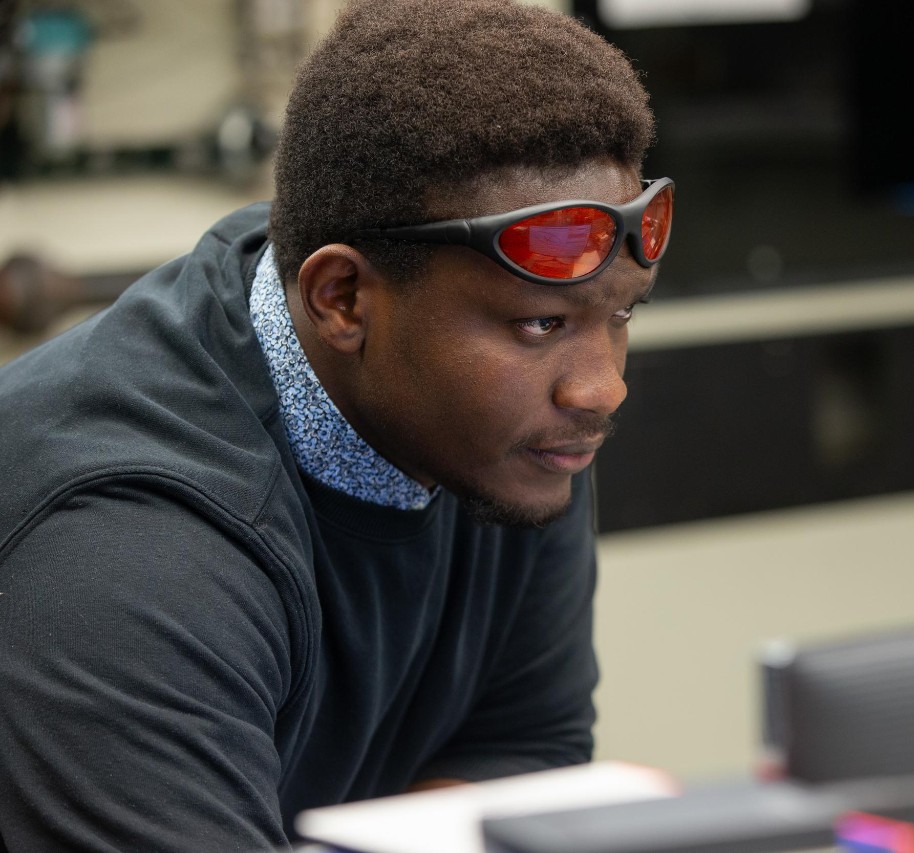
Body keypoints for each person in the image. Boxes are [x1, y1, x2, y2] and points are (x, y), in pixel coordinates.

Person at [0, 0, 671, 849]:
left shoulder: (513, 431)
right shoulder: (122, 557)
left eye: (621, 316)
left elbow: (523, 749)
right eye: (541, 323)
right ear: (342, 299)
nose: (602, 388)